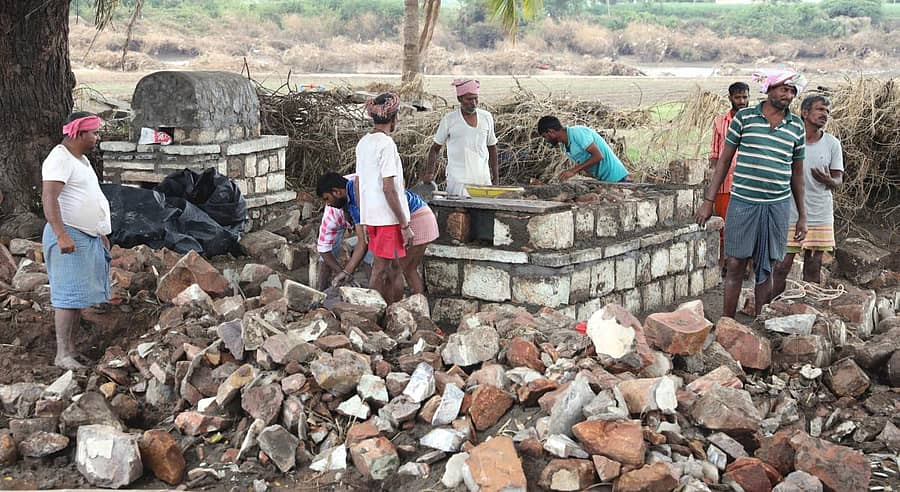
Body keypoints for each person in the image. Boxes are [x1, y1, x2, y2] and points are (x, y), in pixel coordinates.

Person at [696, 69, 808, 318]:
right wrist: (708, 201)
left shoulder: (796, 126)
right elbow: (724, 161)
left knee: (766, 266)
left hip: (777, 205)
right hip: (743, 202)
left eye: (792, 91)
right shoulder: (745, 118)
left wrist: (803, 215)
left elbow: (797, 174)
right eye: (784, 89)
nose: (788, 95)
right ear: (769, 89)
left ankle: (759, 323)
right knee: (735, 263)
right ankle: (727, 321)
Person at [41, 111, 111, 370]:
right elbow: (49, 197)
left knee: (77, 297)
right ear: (79, 134)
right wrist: (61, 235)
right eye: (94, 133)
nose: (97, 137)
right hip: (69, 234)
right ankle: (62, 354)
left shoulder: (80, 160)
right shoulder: (59, 158)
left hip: (84, 235)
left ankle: (71, 350)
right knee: (67, 296)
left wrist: (100, 232)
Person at [316, 172, 438, 297]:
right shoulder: (353, 196)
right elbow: (362, 241)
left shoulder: (358, 195)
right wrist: (346, 272)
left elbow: (363, 243)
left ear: (336, 192)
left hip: (415, 218)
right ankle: (417, 305)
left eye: (327, 199)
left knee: (393, 271)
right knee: (406, 270)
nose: (327, 204)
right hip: (422, 214)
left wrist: (347, 272)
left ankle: (395, 307)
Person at [773, 95, 843, 296]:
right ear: (804, 113)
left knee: (813, 267)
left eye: (827, 111)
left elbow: (838, 179)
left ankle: (808, 307)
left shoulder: (832, 144)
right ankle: (769, 307)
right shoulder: (789, 139)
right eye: (820, 109)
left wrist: (829, 180)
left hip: (819, 212)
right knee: (781, 267)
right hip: (789, 212)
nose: (825, 114)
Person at [355, 93, 413, 304]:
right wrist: (404, 224)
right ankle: (383, 311)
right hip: (388, 218)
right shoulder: (386, 144)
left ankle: (384, 309)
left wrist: (363, 218)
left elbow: (358, 183)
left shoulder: (363, 142)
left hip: (372, 216)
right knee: (385, 269)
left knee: (388, 267)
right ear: (394, 118)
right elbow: (389, 188)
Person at [423, 79, 499, 196]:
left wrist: (496, 178)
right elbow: (435, 148)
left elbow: (492, 148)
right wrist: (429, 173)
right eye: (469, 99)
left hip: (483, 180)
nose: (473, 103)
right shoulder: (449, 120)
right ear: (459, 99)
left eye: (476, 98)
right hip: (458, 182)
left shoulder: (486, 117)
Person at [709, 82, 750, 266]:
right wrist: (714, 179)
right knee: (724, 227)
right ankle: (722, 266)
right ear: (730, 98)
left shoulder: (755, 121)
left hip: (748, 184)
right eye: (737, 97)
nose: (741, 101)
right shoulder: (720, 122)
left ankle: (746, 267)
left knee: (747, 227)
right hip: (725, 183)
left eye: (744, 97)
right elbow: (715, 154)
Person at [536, 116, 630, 182]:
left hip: (615, 177)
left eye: (545, 136)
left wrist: (573, 171)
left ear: (551, 132)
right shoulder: (565, 146)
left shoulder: (577, 133)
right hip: (603, 179)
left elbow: (598, 156)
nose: (546, 140)